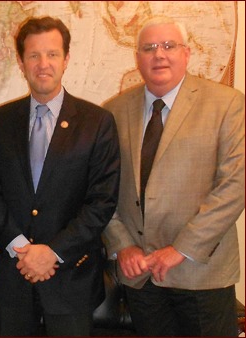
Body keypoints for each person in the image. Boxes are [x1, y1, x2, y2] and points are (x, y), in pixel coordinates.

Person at [102, 16, 245, 336]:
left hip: (201, 272)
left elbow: (235, 185)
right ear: (137, 57)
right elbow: (102, 189)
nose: (159, 54)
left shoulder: (227, 104)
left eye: (169, 46)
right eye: (149, 48)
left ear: (187, 53)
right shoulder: (114, 111)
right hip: (140, 275)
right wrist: (121, 244)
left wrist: (181, 249)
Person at [0, 16, 120, 336]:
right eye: (34, 55)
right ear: (21, 61)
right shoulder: (1, 120)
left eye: (53, 54)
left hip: (72, 277)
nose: (43, 64)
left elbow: (102, 200)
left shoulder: (97, 122)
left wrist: (52, 252)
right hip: (14, 275)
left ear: (66, 59)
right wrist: (20, 248)